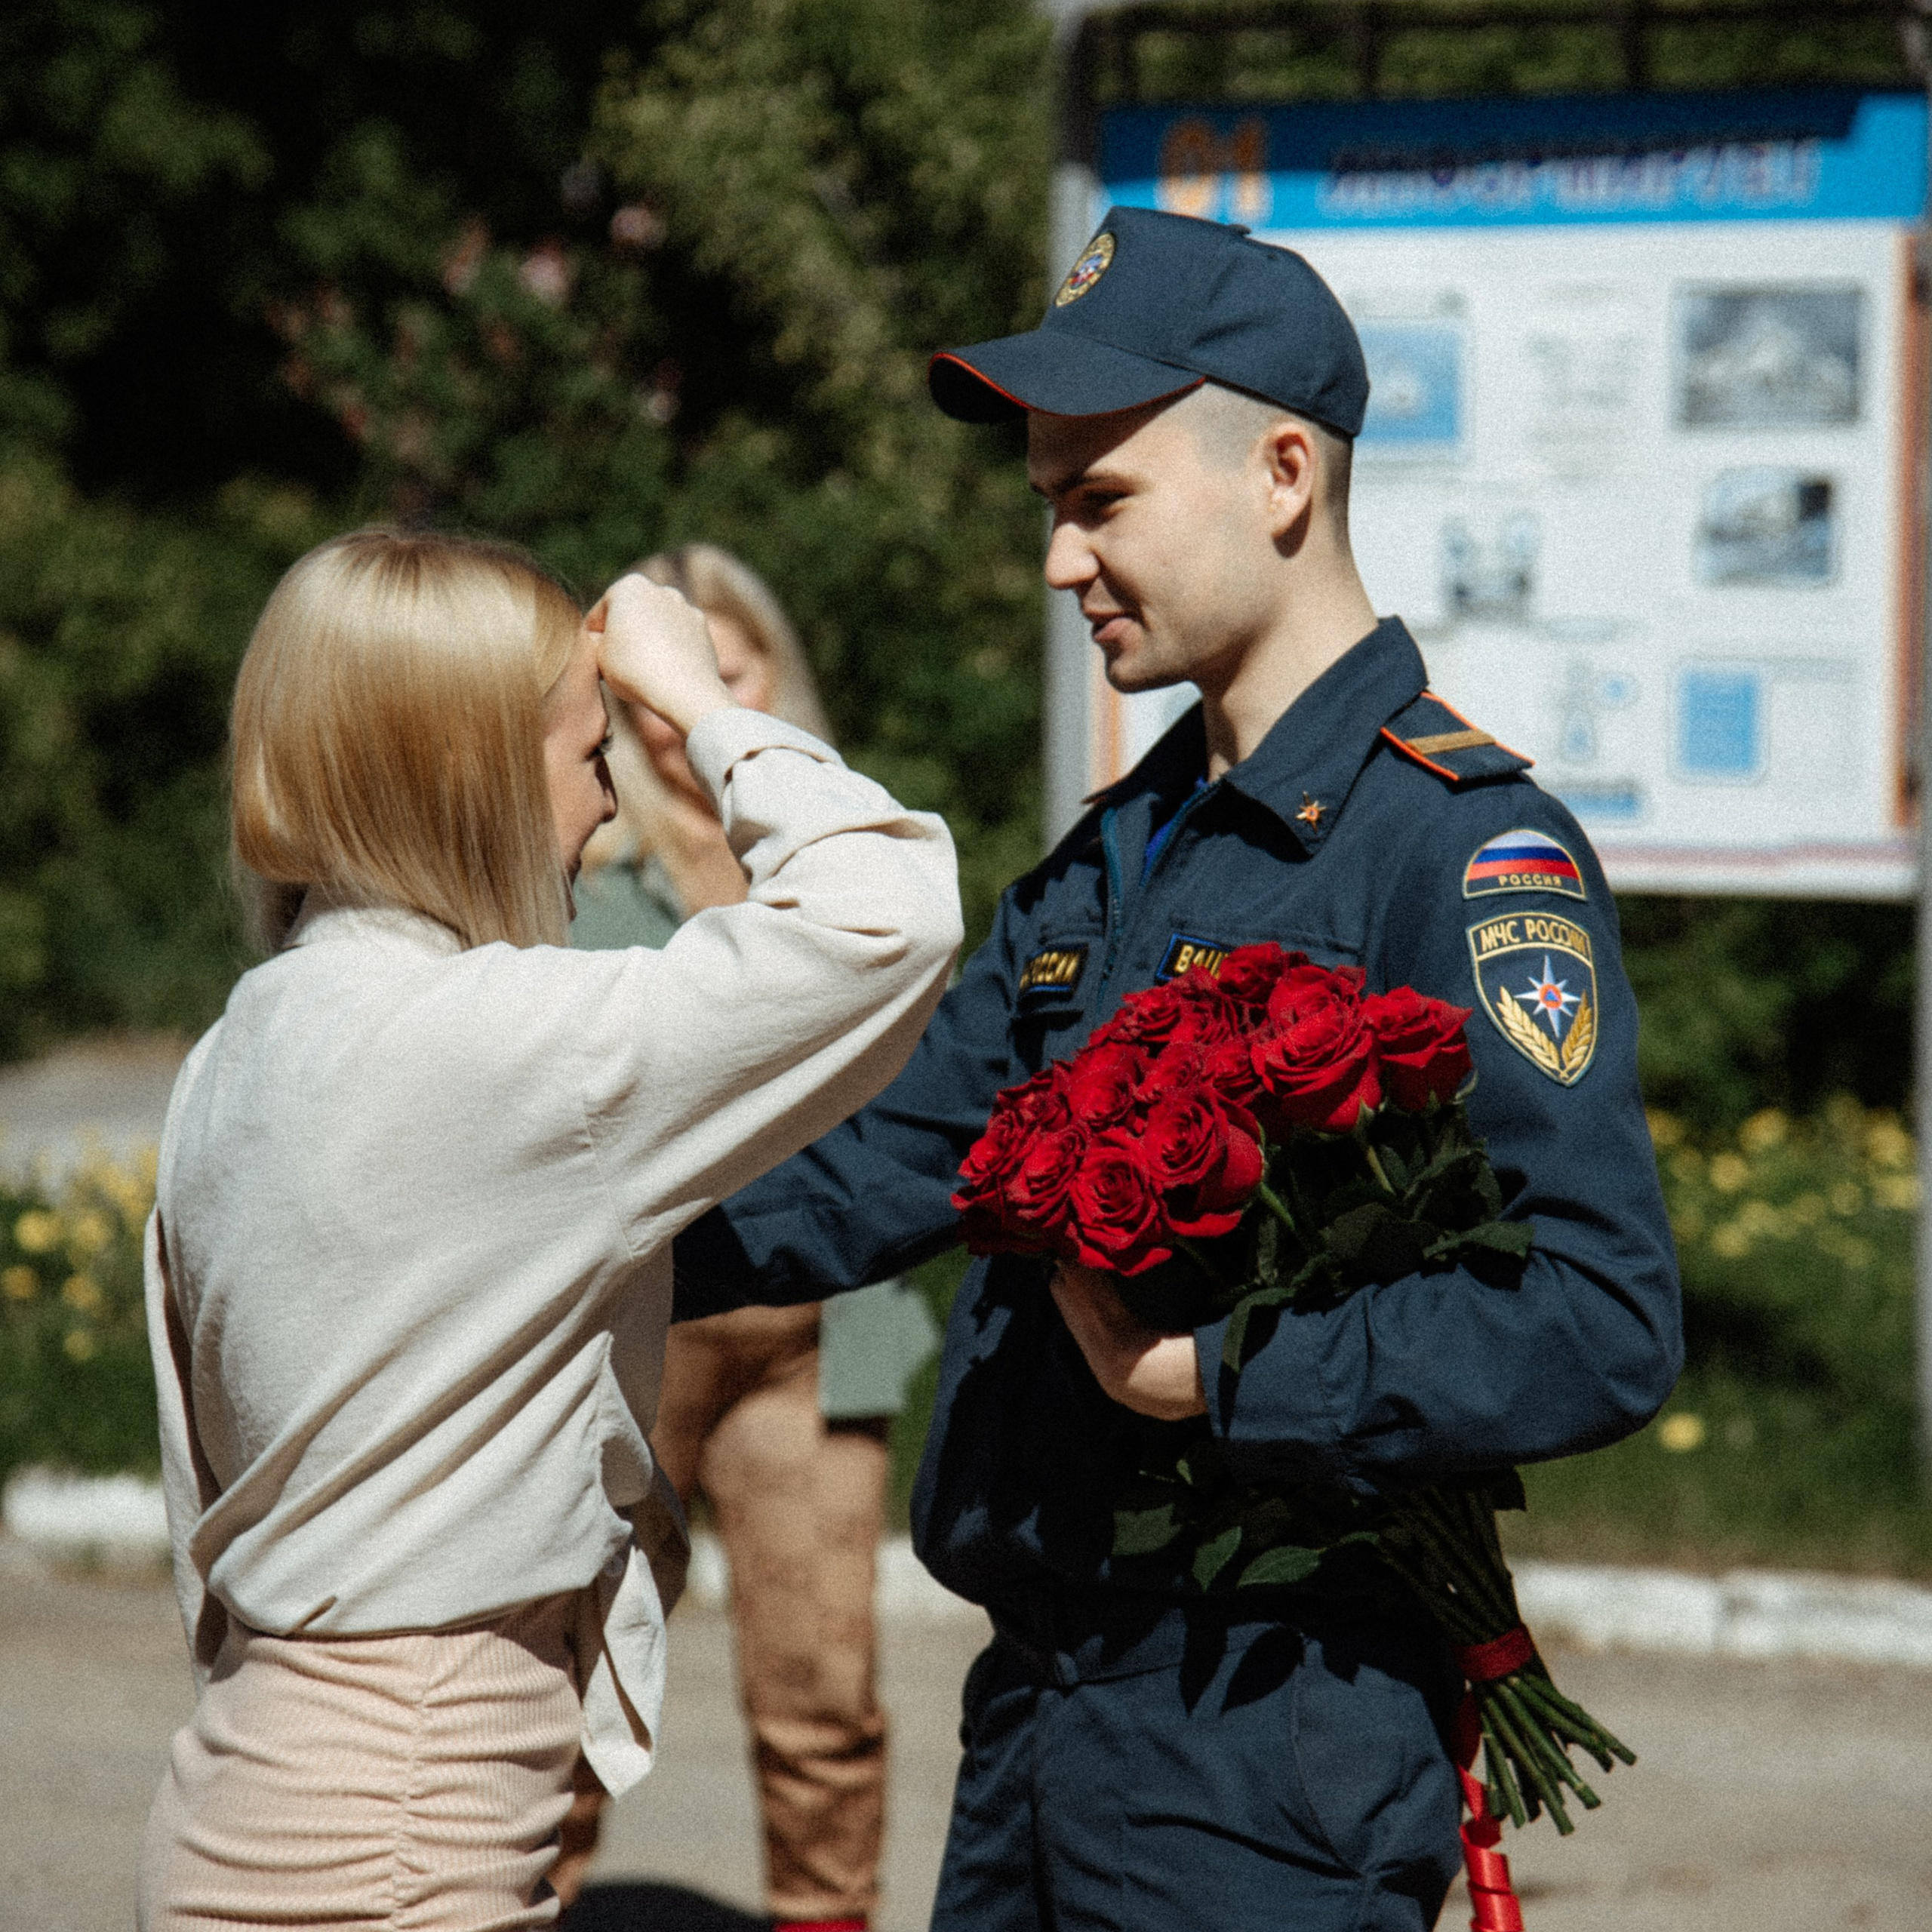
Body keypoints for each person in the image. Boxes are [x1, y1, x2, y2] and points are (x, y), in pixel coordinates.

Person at [672, 207, 1682, 1930]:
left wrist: (1220, 1368)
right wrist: (572, 1234)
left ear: (1280, 471)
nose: (1060, 561)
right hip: (1041, 1716)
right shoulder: (1113, 858)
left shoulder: (1453, 849)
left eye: (1098, 499)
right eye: (1051, 506)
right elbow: (884, 1159)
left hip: (1263, 1736)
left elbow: (1597, 1313)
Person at [138, 528, 961, 1930]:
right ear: (475, 773)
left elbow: (193, 1472)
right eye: (593, 757)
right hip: (408, 1821)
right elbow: (893, 917)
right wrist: (705, 705)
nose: (604, 807)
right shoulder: (505, 1047)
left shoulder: (243, 1043)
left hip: (250, 1774)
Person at [552, 543, 937, 1932]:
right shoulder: (575, 848)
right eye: (661, 671)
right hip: (634, 1330)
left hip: (824, 1333)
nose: (686, 702)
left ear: (773, 672)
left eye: (728, 662)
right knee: (562, 1687)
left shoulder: (850, 845)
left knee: (824, 1694)